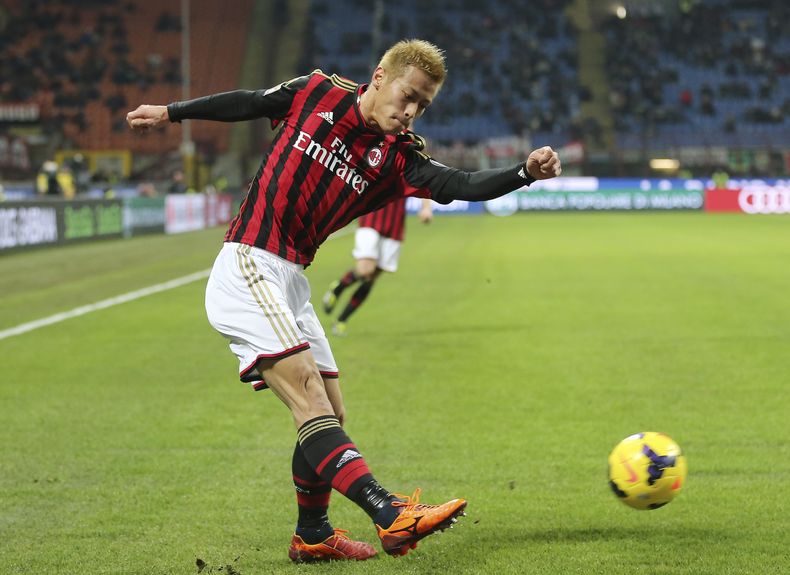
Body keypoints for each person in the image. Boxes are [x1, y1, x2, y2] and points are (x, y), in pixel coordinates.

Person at [126, 38, 561, 563]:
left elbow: (462, 183)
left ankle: (312, 534)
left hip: (291, 279)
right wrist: (172, 113)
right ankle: (388, 513)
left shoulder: (400, 159)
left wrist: (523, 174)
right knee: (309, 397)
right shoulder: (316, 93)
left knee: (330, 410)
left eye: (423, 105)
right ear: (379, 77)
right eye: (407, 96)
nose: (410, 112)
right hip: (249, 260)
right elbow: (250, 102)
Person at [322, 196, 433, 336]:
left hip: (395, 224)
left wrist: (426, 207)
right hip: (371, 217)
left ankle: (341, 320)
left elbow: (422, 181)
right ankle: (338, 288)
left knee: (371, 278)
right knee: (365, 270)